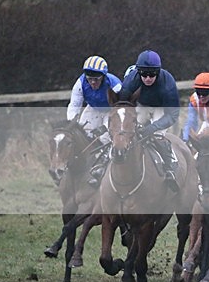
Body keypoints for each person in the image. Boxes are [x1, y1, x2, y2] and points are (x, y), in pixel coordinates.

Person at [118, 49, 181, 191]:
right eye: (144, 74)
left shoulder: (168, 83)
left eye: (152, 74)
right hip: (142, 105)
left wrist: (153, 127)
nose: (147, 78)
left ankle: (170, 167)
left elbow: (173, 115)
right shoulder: (130, 81)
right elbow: (123, 106)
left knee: (156, 135)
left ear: (158, 72)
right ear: (138, 72)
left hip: (162, 109)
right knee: (130, 131)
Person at [67, 55, 122, 186]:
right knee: (83, 133)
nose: (92, 82)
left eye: (96, 79)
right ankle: (81, 165)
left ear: (103, 76)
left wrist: (105, 127)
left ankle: (104, 166)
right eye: (89, 78)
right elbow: (74, 105)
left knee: (105, 137)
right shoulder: (80, 83)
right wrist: (71, 124)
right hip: (93, 108)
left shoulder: (115, 85)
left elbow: (119, 111)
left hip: (111, 111)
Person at [182, 72, 209, 142]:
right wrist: (185, 139)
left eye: (204, 93)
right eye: (198, 92)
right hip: (207, 124)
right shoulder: (194, 100)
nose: (201, 96)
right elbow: (191, 121)